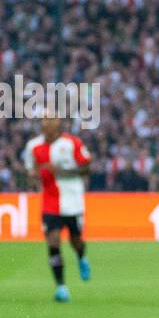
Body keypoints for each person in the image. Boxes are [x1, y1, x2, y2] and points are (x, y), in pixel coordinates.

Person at [22, 114, 93, 302]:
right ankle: (61, 287)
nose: (46, 123)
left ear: (58, 123)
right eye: (43, 120)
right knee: (53, 242)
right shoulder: (33, 146)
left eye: (50, 120)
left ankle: (81, 257)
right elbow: (30, 173)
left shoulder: (72, 143)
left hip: (72, 201)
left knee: (76, 240)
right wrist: (32, 176)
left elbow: (87, 168)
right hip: (49, 202)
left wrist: (62, 171)